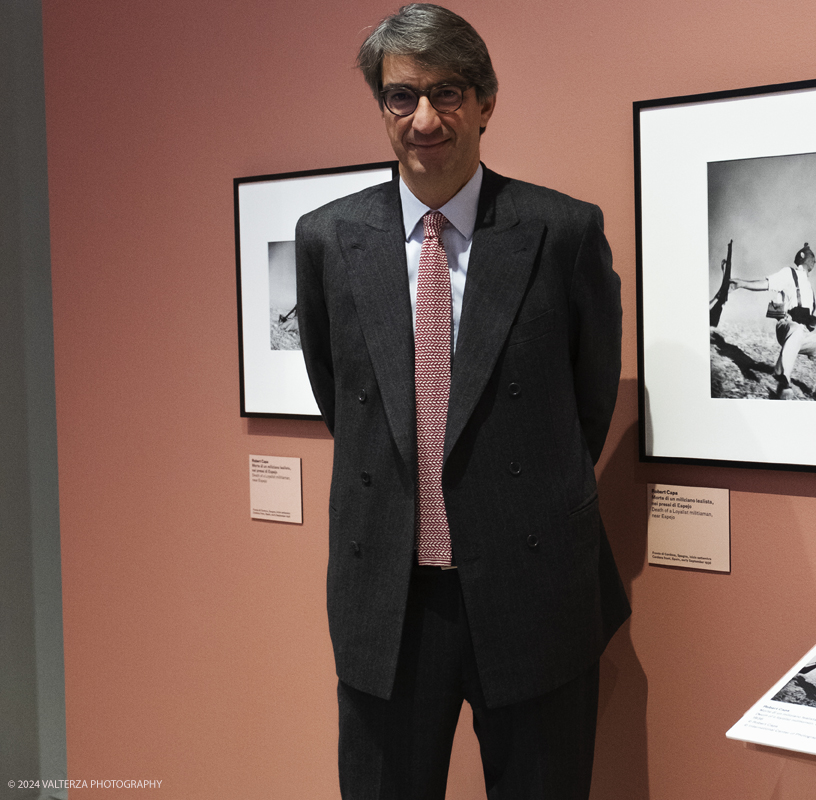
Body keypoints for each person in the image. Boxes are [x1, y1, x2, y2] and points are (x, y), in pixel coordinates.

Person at [294, 5, 629, 798]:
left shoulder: (562, 232)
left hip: (533, 589)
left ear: (485, 102)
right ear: (381, 105)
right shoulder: (328, 240)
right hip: (389, 600)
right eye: (401, 96)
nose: (424, 118)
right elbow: (347, 405)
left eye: (447, 93)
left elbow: (582, 410)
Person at [729, 243, 816, 401]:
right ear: (803, 258)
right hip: (786, 327)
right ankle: (782, 378)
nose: (815, 261)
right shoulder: (789, 273)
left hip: (802, 333)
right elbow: (765, 284)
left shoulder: (808, 286)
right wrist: (741, 283)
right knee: (796, 330)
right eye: (812, 257)